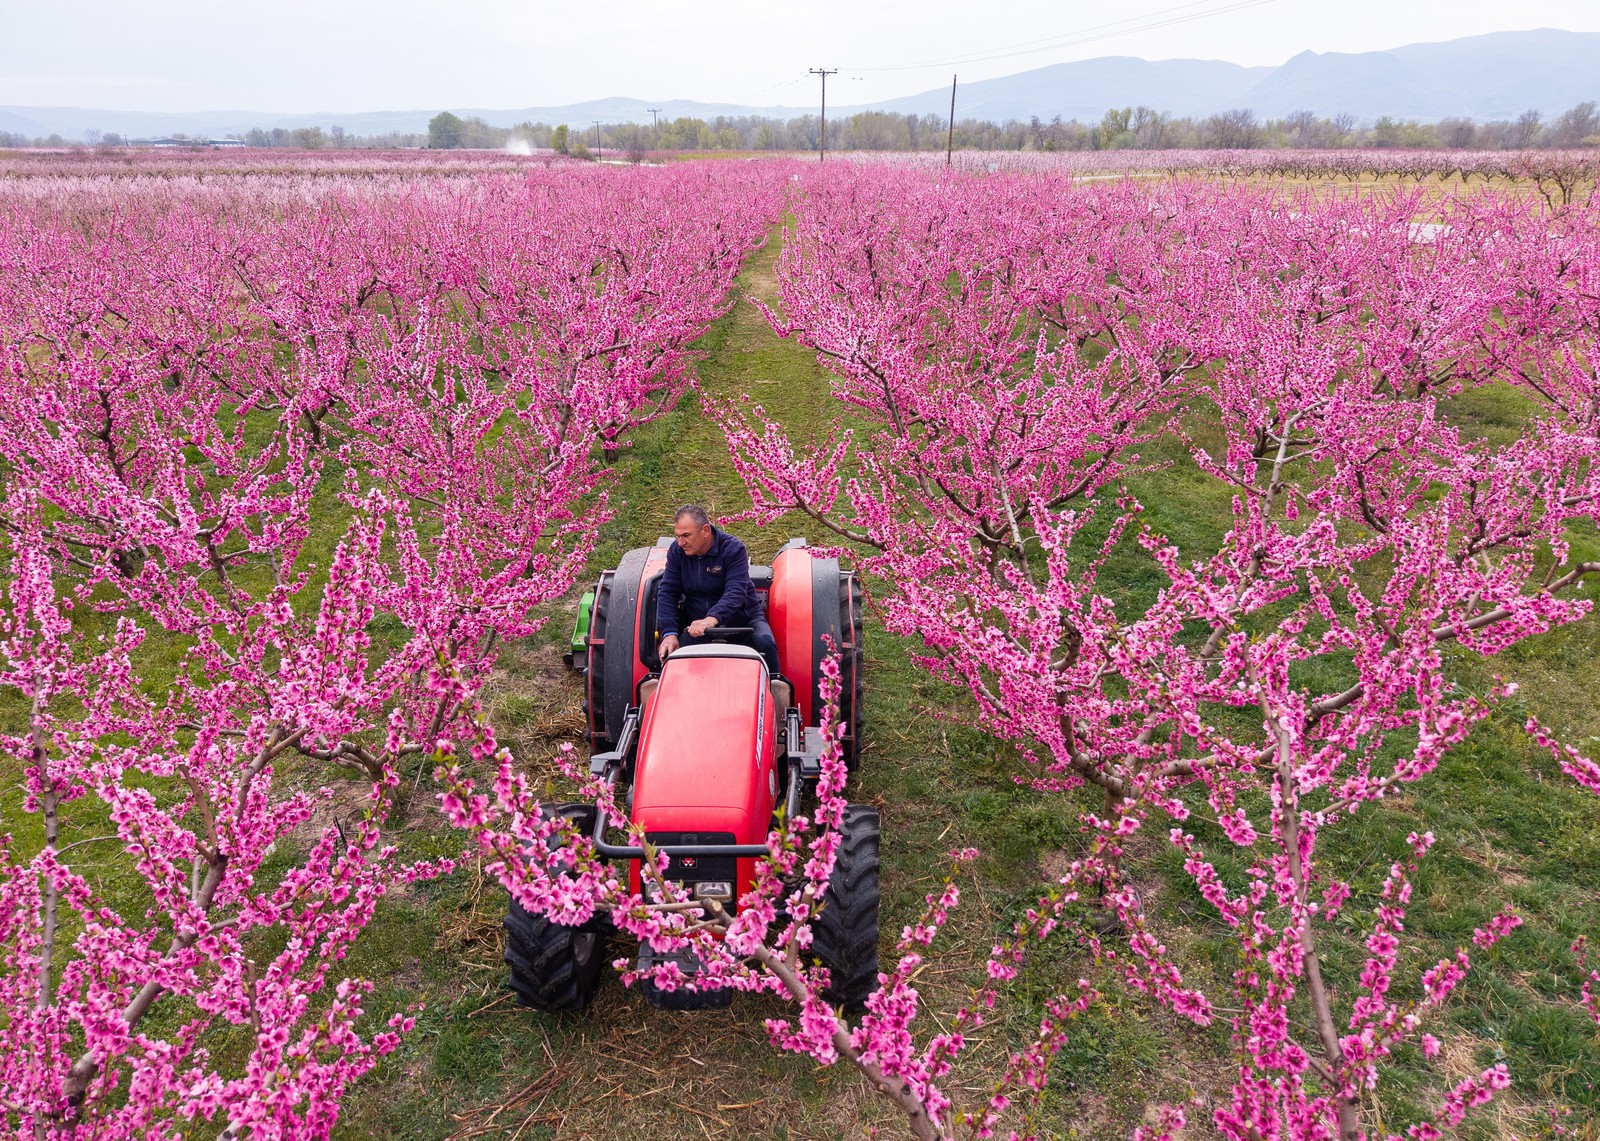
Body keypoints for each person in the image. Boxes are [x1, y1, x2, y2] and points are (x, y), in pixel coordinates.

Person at [656, 505, 780, 675]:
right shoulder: (677, 552)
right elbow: (668, 591)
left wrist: (711, 618)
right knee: (675, 653)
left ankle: (775, 687)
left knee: (765, 643)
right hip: (697, 626)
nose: (680, 542)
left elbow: (736, 592)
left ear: (705, 531)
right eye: (677, 536)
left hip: (743, 622)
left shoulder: (733, 549)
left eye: (686, 535)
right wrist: (669, 632)